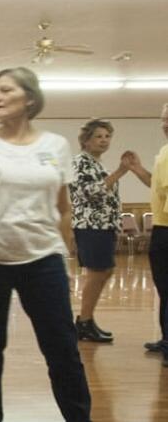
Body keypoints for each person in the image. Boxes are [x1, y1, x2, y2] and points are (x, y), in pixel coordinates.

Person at [0, 68, 118, 422]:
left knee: (62, 347)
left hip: (42, 258)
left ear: (29, 98)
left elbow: (62, 207)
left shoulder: (55, 145)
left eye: (6, 90)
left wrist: (66, 254)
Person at [70, 119, 150, 342]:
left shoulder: (98, 163)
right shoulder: (81, 162)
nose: (104, 140)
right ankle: (84, 322)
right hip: (91, 226)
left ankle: (87, 319)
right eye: (98, 136)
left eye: (107, 136)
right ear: (86, 141)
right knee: (97, 273)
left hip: (104, 226)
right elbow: (89, 192)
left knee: (104, 271)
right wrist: (121, 171)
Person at [125, 103, 168, 365]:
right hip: (162, 229)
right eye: (163, 119)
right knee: (164, 289)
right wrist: (137, 169)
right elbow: (158, 184)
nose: (165, 124)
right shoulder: (164, 151)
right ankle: (166, 338)